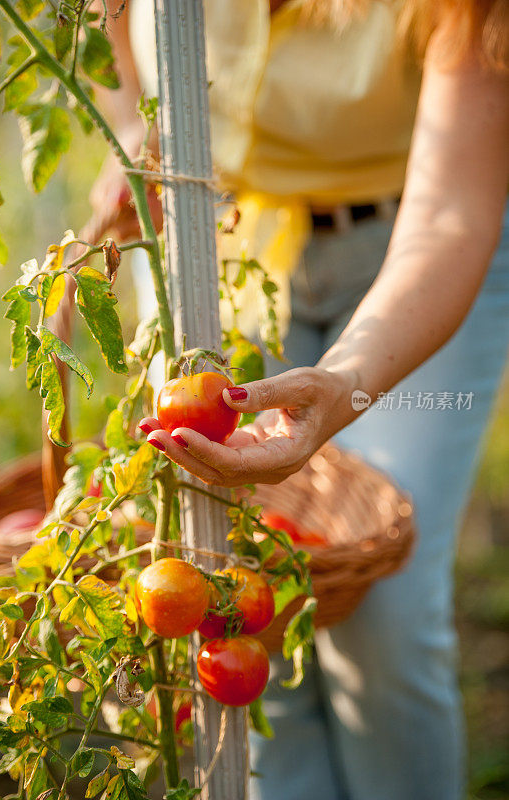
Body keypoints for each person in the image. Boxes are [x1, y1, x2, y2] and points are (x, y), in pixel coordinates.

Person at [91, 2, 509, 798]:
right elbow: (103, 18)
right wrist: (127, 119)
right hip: (220, 240)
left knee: (382, 597)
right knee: (246, 596)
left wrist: (346, 383)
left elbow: (452, 215)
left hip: (411, 255)